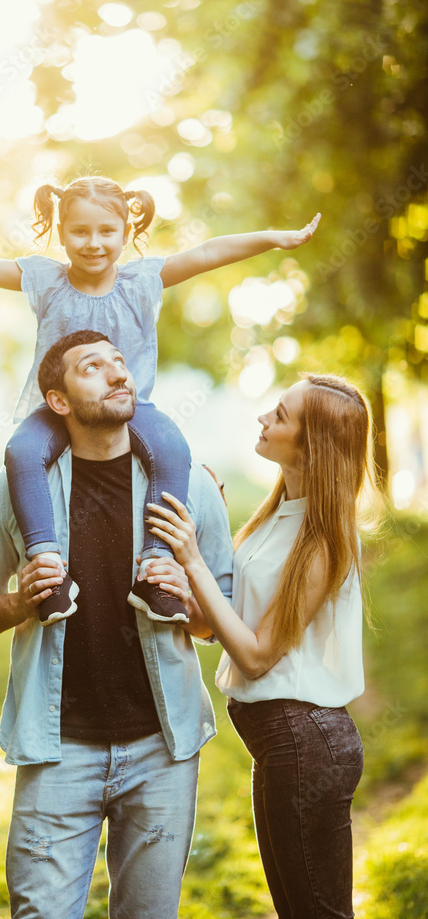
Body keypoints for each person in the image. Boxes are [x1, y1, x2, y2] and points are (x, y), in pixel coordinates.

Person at [0, 175, 320, 626]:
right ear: (60, 231)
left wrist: (276, 238)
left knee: (174, 450)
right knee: (20, 451)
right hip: (57, 410)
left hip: (130, 411)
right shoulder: (44, 279)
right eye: (79, 231)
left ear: (126, 231)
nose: (93, 243)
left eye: (106, 231)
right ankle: (48, 566)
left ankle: (154, 573)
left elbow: (210, 252)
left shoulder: (142, 281)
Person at [0, 330, 234, 919]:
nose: (116, 373)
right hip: (56, 754)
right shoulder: (13, 491)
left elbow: (220, 621)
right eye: (92, 366)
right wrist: (19, 604)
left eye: (120, 363)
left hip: (163, 752)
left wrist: (192, 599)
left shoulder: (191, 487)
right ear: (58, 400)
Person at [145, 373, 378, 919]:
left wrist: (194, 561)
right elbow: (225, 632)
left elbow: (255, 656)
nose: (263, 419)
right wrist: (195, 566)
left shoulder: (326, 537)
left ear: (310, 445)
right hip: (279, 744)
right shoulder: (276, 515)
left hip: (307, 742)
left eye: (280, 415)